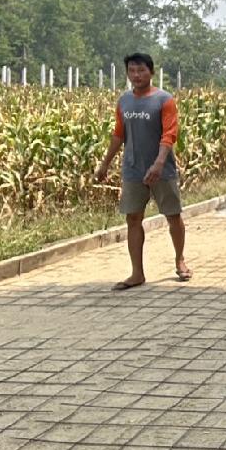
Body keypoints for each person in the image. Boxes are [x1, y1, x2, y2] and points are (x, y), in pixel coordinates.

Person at [94, 53, 191, 290]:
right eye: (132, 71)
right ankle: (137, 273)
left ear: (151, 72)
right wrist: (105, 163)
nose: (136, 75)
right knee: (133, 218)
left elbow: (169, 134)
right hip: (133, 170)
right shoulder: (124, 101)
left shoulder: (164, 100)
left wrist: (158, 163)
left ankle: (180, 260)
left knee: (173, 215)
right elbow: (119, 134)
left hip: (162, 170)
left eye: (141, 70)